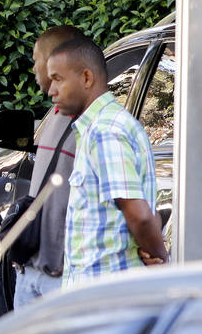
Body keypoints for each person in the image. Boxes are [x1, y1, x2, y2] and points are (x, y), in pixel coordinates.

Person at [46, 36, 168, 286]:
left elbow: (141, 215)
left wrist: (162, 260)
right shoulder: (101, 126)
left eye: (58, 79)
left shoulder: (105, 130)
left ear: (87, 78)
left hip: (104, 299)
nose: (51, 91)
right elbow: (148, 210)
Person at [13, 25, 85, 308]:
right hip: (31, 270)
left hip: (64, 276)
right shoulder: (56, 113)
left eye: (36, 59)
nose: (33, 68)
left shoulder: (95, 125)